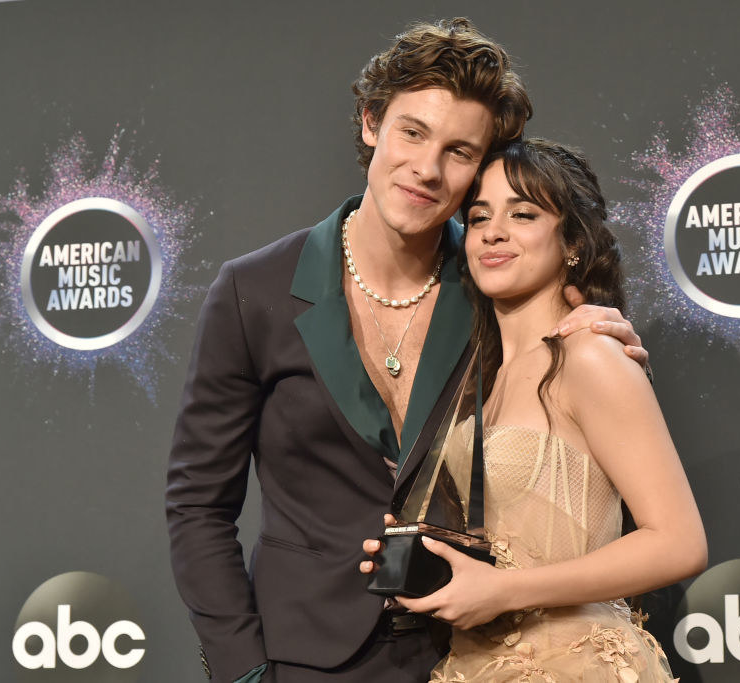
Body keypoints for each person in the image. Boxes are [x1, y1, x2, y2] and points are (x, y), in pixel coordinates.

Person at [166, 19, 649, 683]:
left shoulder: (496, 287)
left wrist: (604, 330)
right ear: (371, 123)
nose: (426, 169)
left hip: (468, 651)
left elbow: (572, 386)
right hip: (300, 657)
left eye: (459, 151)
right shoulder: (254, 292)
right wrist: (242, 666)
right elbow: (198, 505)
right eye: (412, 132)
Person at [362, 139, 707, 682]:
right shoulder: (478, 380)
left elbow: (679, 544)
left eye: (523, 214)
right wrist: (421, 553)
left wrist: (503, 591)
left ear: (572, 241)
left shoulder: (590, 355)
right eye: (479, 217)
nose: (493, 232)